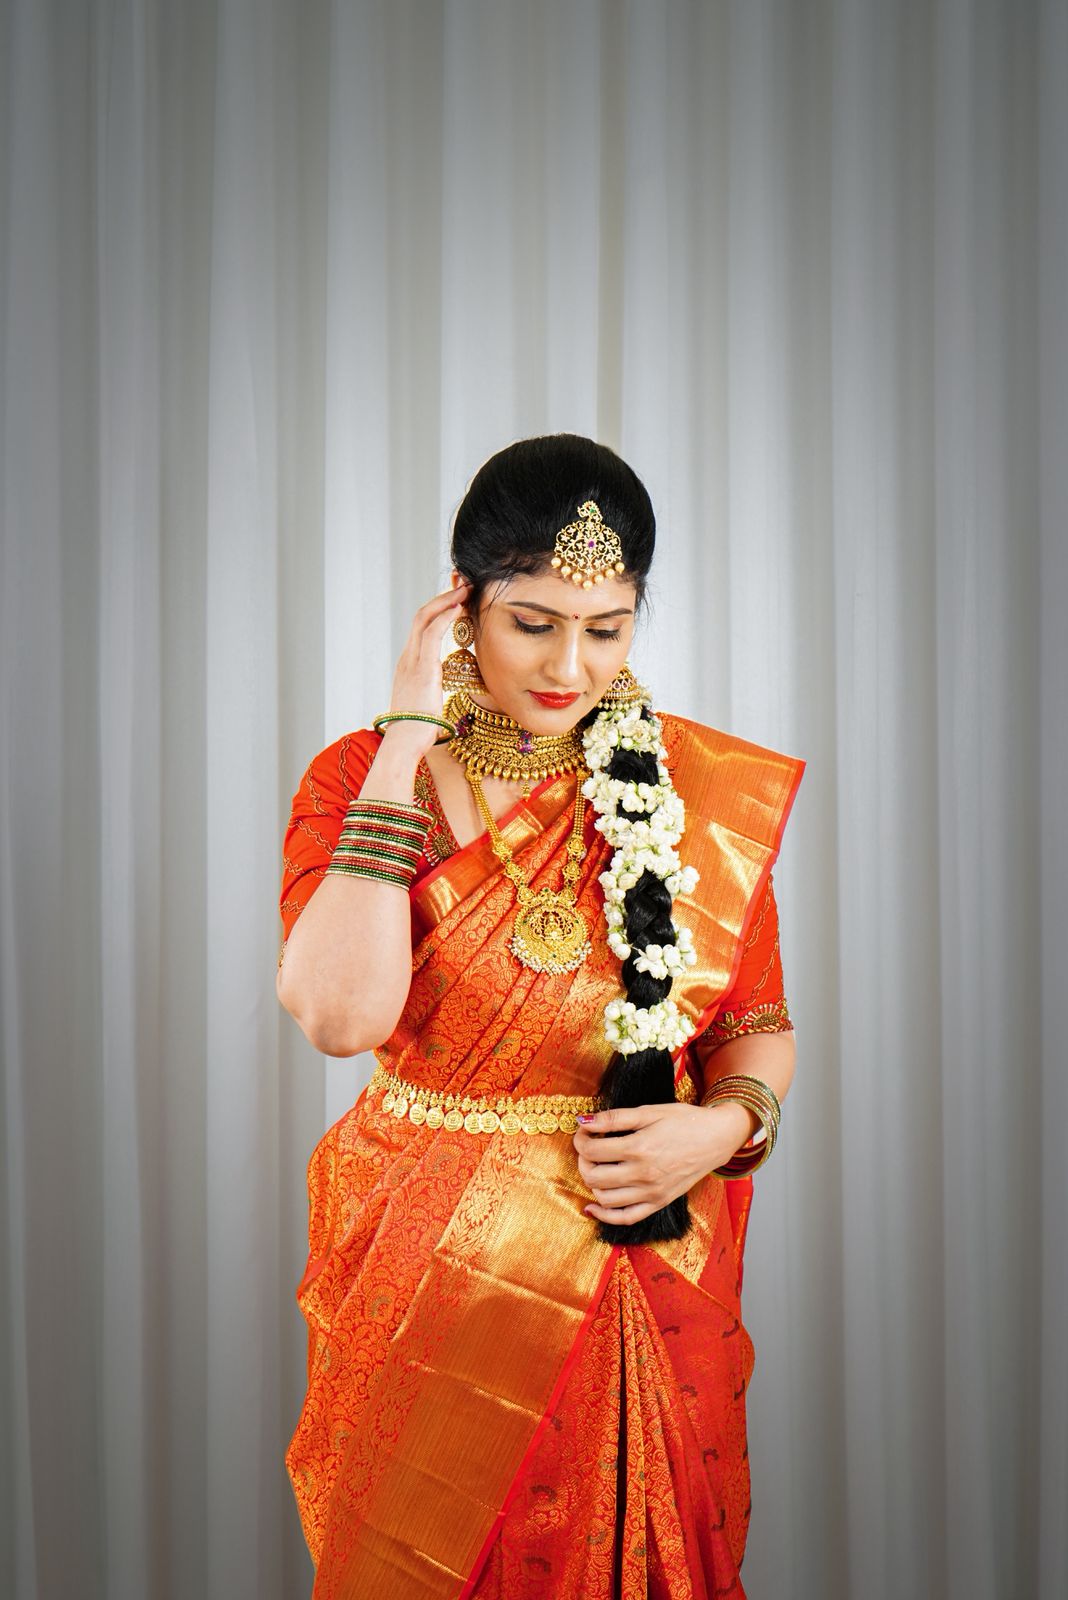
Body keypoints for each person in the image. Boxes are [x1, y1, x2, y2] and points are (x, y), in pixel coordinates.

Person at [276, 434, 804, 1599]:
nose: (571, 665)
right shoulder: (363, 776)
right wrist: (406, 736)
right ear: (461, 606)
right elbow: (340, 1015)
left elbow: (755, 1024)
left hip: (635, 1267)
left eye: (607, 628)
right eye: (533, 623)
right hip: (426, 1276)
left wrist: (722, 1129)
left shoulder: (690, 791)